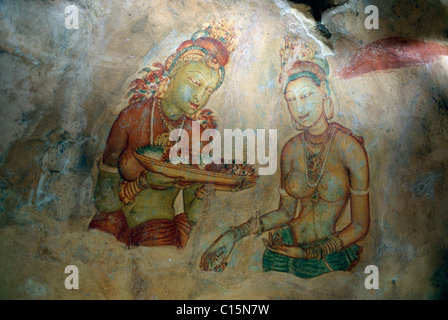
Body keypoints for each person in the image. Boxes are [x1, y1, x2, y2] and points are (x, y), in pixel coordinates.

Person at [200, 35, 370, 278]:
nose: (299, 108)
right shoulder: (290, 149)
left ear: (323, 92)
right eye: (291, 100)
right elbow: (286, 213)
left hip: (325, 255)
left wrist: (312, 252)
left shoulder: (349, 148)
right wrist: (235, 234)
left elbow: (360, 225)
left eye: (306, 96)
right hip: (282, 247)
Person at [89, 20, 237, 248]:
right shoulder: (131, 118)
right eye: (195, 82)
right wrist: (143, 182)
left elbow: (193, 215)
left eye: (208, 89)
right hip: (112, 222)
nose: (200, 96)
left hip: (157, 228)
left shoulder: (198, 136)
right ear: (171, 78)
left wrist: (205, 185)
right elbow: (103, 201)